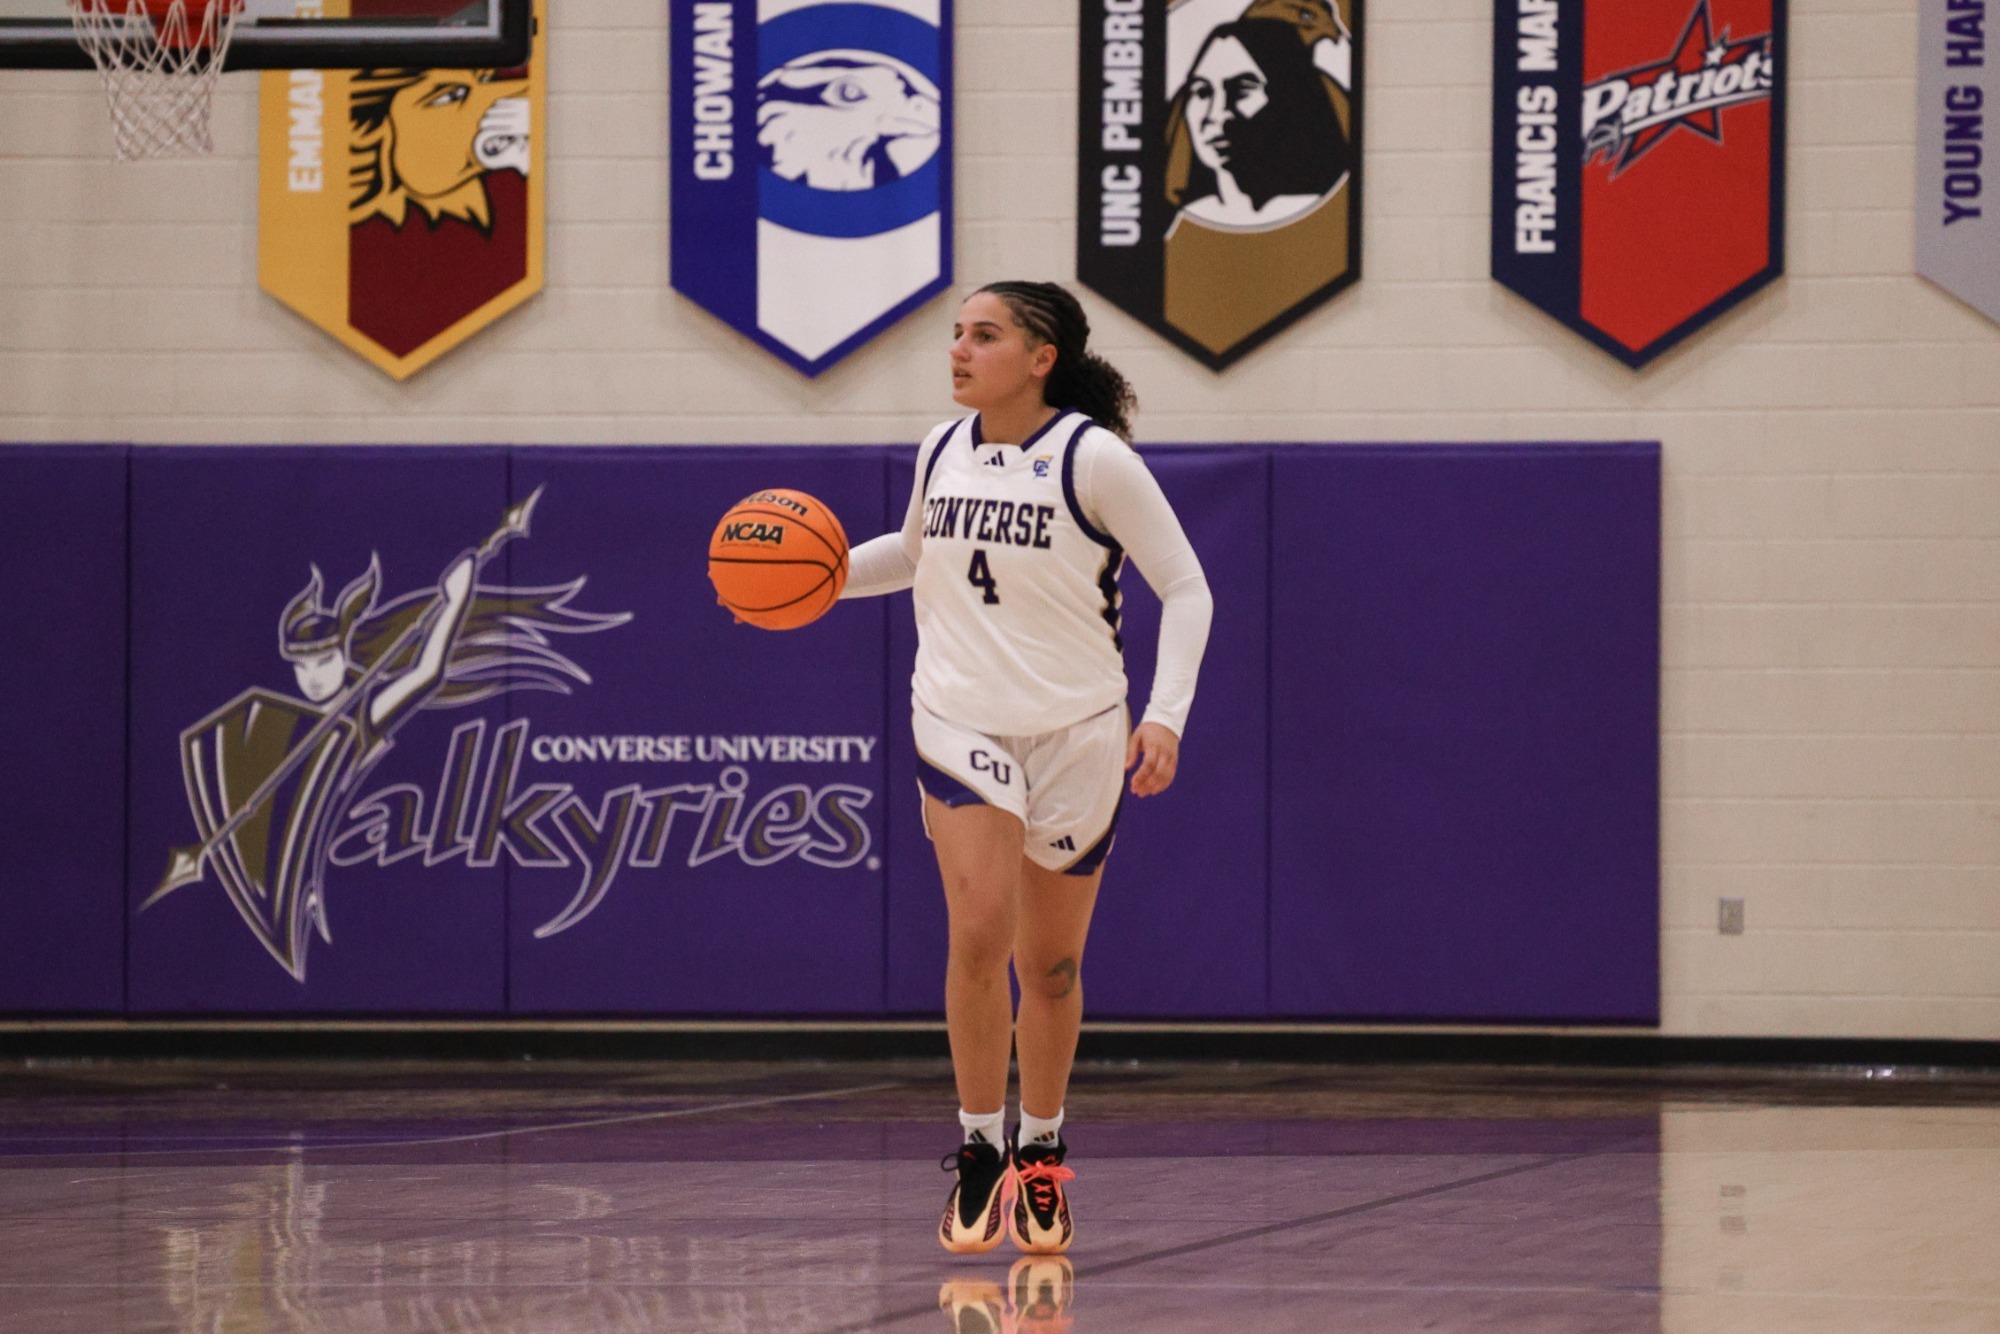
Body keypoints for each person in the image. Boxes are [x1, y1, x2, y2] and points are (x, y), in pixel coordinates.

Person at [839, 281, 1214, 1255]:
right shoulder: (938, 448)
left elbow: (1185, 586)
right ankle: (976, 1147)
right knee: (978, 931)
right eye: (955, 334)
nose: (958, 350)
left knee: (1048, 964)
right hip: (958, 712)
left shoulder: (1092, 459)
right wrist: (828, 575)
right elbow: (915, 554)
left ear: (1040, 355)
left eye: (983, 335)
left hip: (1079, 727)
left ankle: (1040, 1150)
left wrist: (1164, 716)